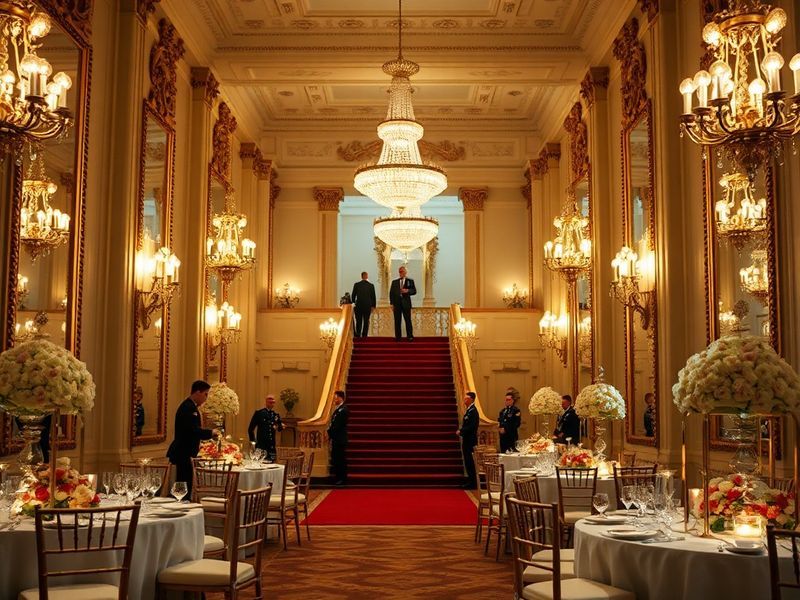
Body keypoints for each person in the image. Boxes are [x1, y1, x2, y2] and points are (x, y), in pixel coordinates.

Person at [166, 380, 217, 497]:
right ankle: (181, 508)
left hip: (186, 452)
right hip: (183, 452)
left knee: (185, 485)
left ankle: (183, 507)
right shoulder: (188, 407)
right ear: (198, 392)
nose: (206, 398)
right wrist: (211, 432)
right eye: (206, 394)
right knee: (184, 485)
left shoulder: (190, 406)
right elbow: (192, 430)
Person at [248, 394, 284, 461]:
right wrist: (253, 443)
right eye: (270, 401)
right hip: (261, 445)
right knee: (259, 463)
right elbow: (250, 429)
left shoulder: (275, 415)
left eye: (273, 402)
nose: (272, 403)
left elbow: (279, 428)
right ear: (266, 402)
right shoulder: (259, 413)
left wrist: (280, 426)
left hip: (271, 446)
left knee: (272, 465)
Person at [457, 392, 479, 488]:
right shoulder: (469, 410)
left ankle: (472, 482)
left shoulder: (473, 411)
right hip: (467, 440)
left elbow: (471, 426)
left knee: (470, 461)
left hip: (470, 440)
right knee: (467, 461)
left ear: (471, 399)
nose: (464, 400)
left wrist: (461, 431)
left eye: (466, 398)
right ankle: (471, 481)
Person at [389, 265, 416, 341]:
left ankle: (410, 336)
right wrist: (391, 304)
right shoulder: (394, 282)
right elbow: (391, 293)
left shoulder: (410, 281)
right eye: (400, 271)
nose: (401, 273)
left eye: (402, 271)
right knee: (397, 321)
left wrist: (407, 291)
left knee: (408, 320)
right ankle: (398, 337)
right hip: (396, 305)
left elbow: (414, 291)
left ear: (405, 272)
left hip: (406, 304)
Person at [328, 390, 349, 485]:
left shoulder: (343, 409)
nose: (334, 399)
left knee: (340, 459)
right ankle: (338, 477)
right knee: (336, 458)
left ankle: (342, 478)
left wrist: (329, 432)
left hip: (340, 438)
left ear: (340, 398)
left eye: (335, 397)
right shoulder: (338, 409)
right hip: (337, 438)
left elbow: (337, 425)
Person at [351, 271, 377, 338]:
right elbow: (373, 296)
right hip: (367, 306)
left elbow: (353, 295)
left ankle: (358, 334)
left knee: (358, 321)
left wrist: (353, 303)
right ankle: (364, 335)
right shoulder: (371, 285)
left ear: (361, 276)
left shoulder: (357, 285)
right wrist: (373, 306)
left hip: (358, 306)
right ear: (366, 276)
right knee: (366, 320)